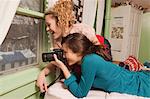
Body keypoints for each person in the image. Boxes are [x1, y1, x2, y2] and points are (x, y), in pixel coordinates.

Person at [53, 33, 150, 98]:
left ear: (78, 52)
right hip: (131, 78)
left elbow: (80, 93)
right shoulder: (84, 61)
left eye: (65, 52)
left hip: (137, 84)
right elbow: (78, 79)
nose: (64, 56)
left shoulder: (89, 61)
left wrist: (63, 67)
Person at [36, 0, 99, 93]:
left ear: (60, 21)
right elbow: (55, 62)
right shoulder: (57, 40)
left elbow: (99, 51)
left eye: (49, 25)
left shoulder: (82, 30)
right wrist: (42, 74)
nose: (47, 29)